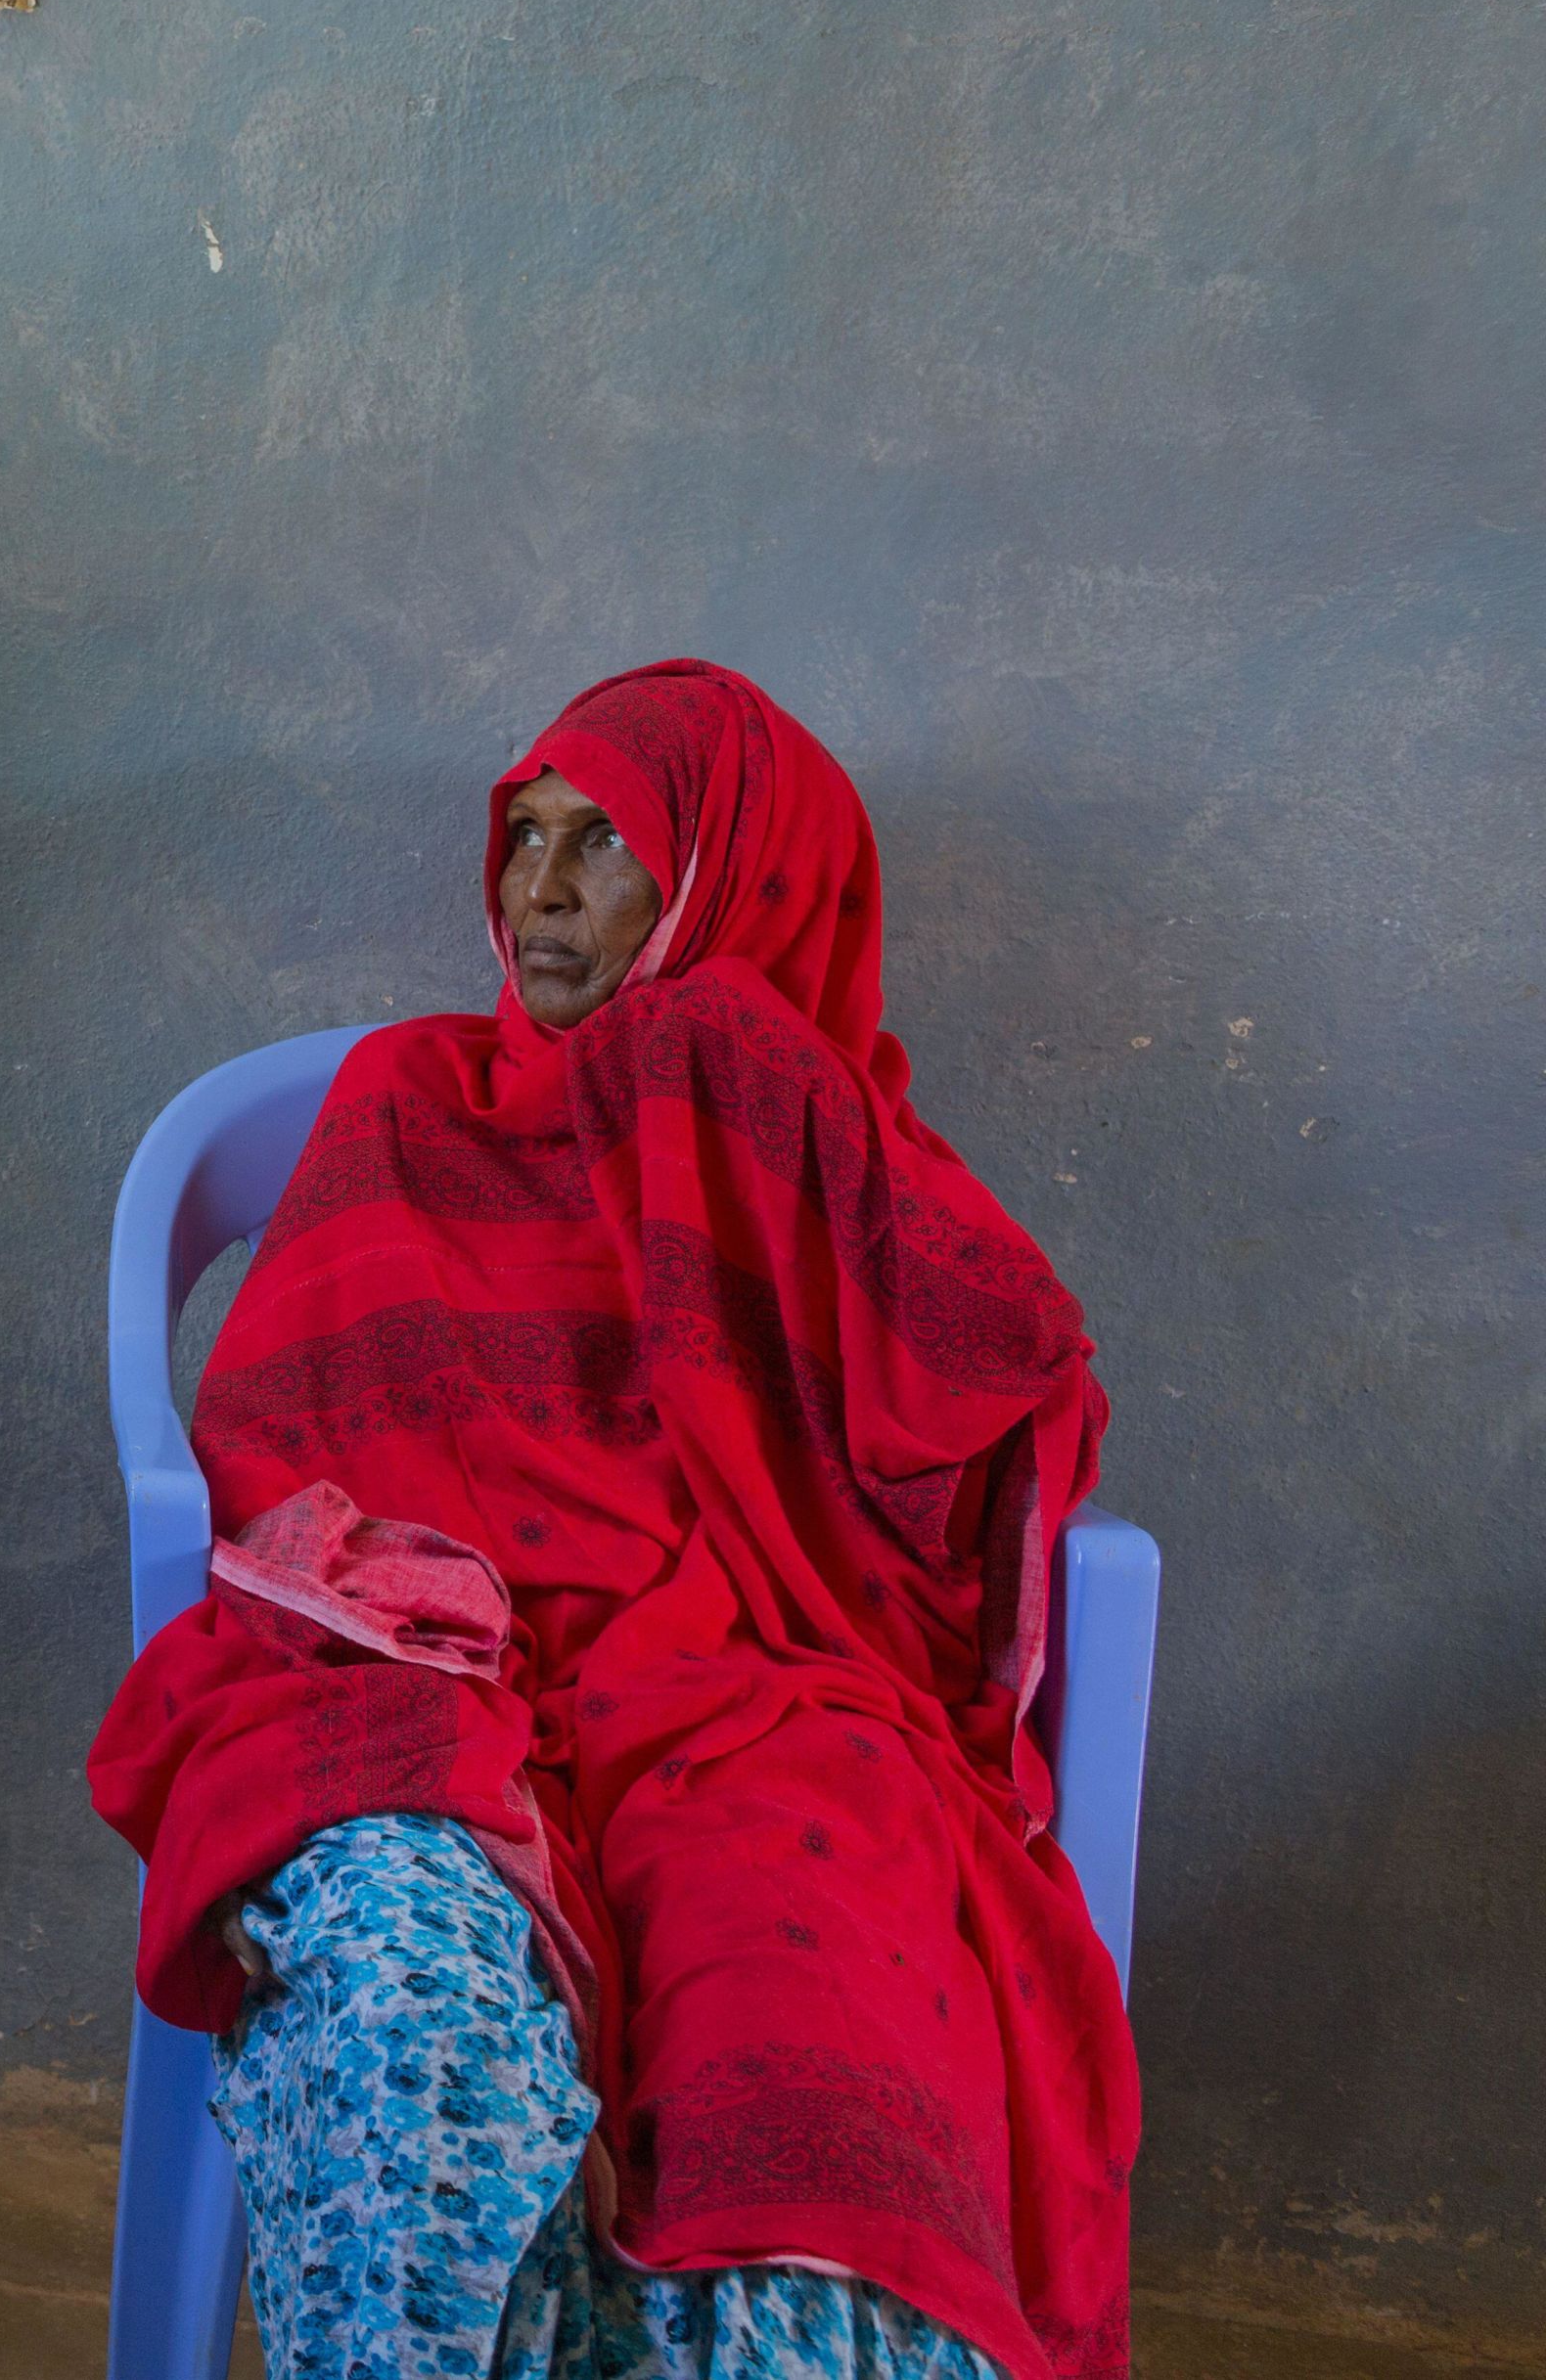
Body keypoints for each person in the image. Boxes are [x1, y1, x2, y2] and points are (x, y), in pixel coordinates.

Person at [89, 662, 1135, 2380]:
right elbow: (280, 1445)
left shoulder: (802, 1128)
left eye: (605, 845)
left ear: (737, 883)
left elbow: (1003, 1389)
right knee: (400, 2016)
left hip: (769, 1717)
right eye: (522, 840)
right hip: (419, 1691)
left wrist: (737, 1082)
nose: (541, 892)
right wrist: (436, 1609)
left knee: (816, 2082)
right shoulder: (408, 1106)